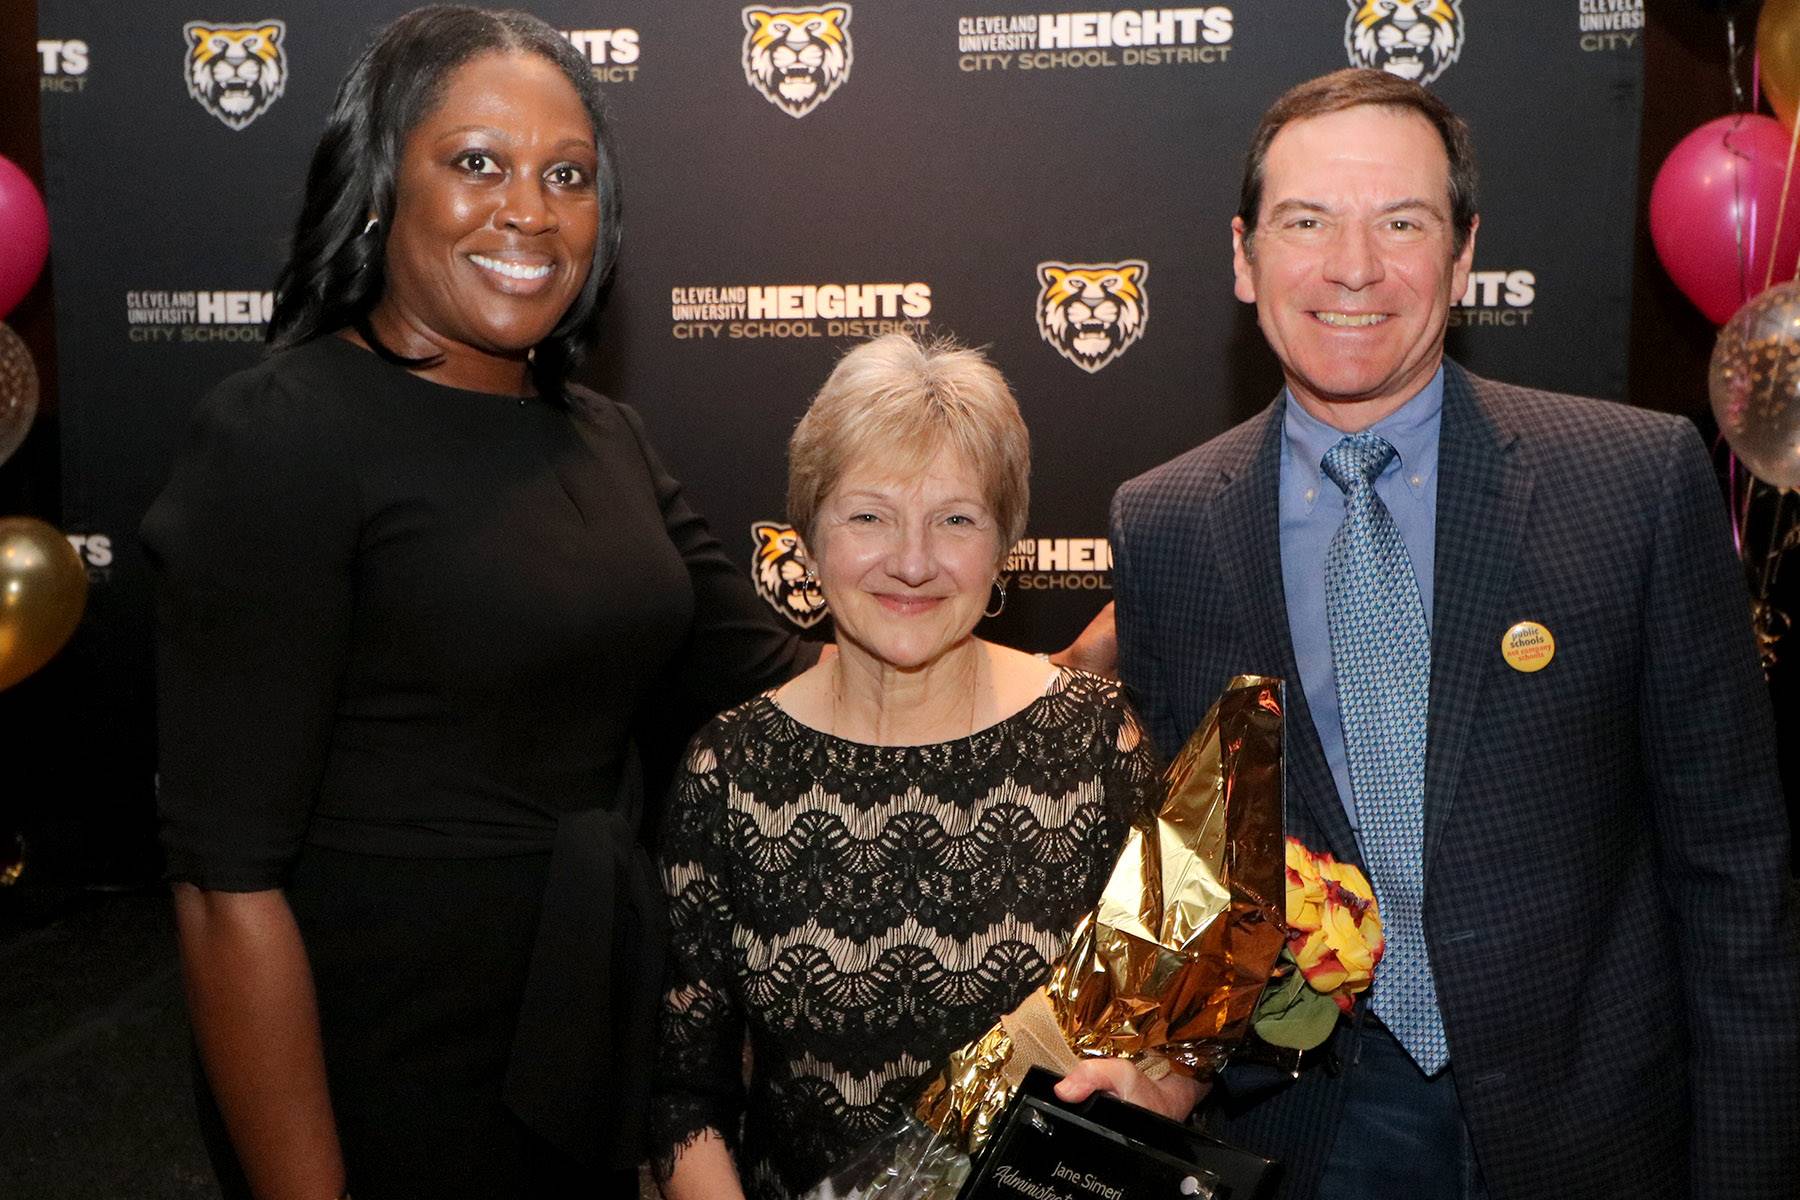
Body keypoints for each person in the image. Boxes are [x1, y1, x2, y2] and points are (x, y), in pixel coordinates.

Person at [141, 9, 813, 1199]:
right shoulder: (282, 434)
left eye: (568, 176)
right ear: (378, 185)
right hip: (380, 1059)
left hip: (586, 1024)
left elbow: (772, 678)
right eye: (476, 164)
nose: (530, 210)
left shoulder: (605, 435)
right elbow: (220, 887)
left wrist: (1054, 673)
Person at [1109, 68, 1800, 1200]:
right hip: (1311, 1135)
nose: (1353, 267)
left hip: (1598, 1131)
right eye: (1306, 222)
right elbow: (1195, 861)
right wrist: (1148, 1054)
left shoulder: (1632, 482)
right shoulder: (1168, 522)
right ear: (1243, 257)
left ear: (1465, 254)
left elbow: (1736, 875)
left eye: (1402, 222)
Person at [648, 334, 1188, 1200]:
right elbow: (685, 1097)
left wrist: (1158, 1092)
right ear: (808, 534)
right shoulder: (730, 770)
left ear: (1005, 541)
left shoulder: (1092, 744)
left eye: (956, 519)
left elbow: (1170, 1031)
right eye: (868, 516)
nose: (911, 561)